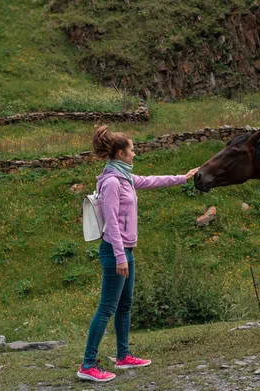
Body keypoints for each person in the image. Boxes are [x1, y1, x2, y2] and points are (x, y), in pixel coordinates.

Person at [77, 125, 199, 382]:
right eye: (132, 150)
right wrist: (121, 257)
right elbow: (110, 222)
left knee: (124, 305)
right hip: (114, 252)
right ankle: (88, 365)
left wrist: (183, 177)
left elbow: (152, 181)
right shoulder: (111, 182)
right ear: (121, 153)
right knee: (106, 308)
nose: (135, 154)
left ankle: (123, 356)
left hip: (125, 251)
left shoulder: (125, 178)